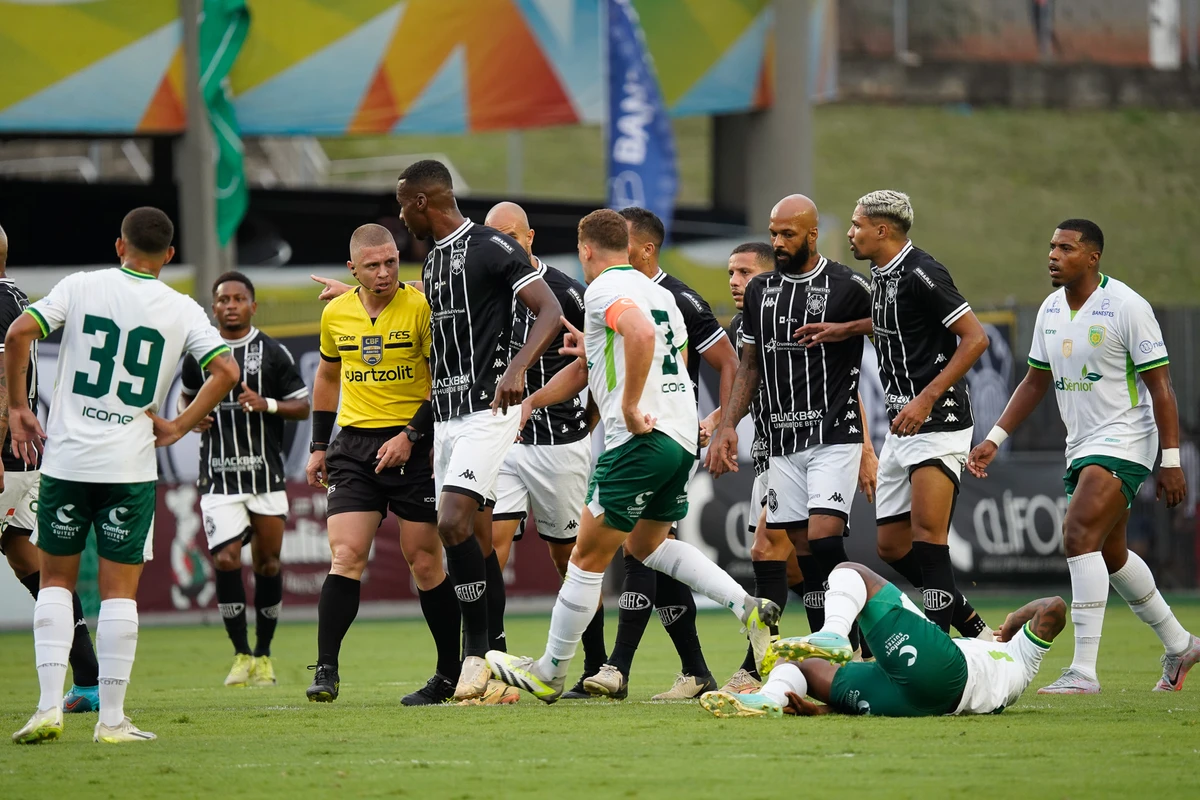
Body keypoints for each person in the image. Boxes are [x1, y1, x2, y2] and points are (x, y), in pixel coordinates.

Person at [486, 209, 779, 703]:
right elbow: (672, 360)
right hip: (679, 437)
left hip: (639, 439)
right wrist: (593, 359)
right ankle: (746, 605)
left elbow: (640, 336)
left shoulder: (602, 290)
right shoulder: (660, 293)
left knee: (584, 557)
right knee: (645, 547)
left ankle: (549, 671)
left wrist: (626, 404)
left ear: (586, 250)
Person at [10, 207, 239, 744]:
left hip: (66, 462)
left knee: (55, 584)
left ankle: (47, 708)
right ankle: (111, 721)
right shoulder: (182, 309)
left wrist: (20, 407)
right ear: (170, 256)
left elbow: (21, 332)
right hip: (129, 468)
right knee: (118, 595)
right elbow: (226, 370)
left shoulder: (81, 286)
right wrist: (179, 425)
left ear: (120, 246)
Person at [967, 219, 1199, 694]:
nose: (1053, 255)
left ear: (1092, 257)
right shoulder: (1051, 309)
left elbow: (1162, 387)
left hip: (1127, 439)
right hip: (1083, 444)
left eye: (1066, 248)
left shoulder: (1128, 307)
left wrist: (1171, 461)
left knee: (1077, 535)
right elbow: (1034, 381)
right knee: (1110, 554)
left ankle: (1084, 672)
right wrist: (995, 437)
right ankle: (1181, 645)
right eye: (1051, 247)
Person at [396, 160, 562, 701]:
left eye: (403, 204)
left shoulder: (492, 246)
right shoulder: (434, 260)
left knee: (451, 522)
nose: (401, 215)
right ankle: (491, 658)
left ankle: (475, 657)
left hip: (489, 412)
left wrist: (516, 369)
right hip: (447, 418)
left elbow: (550, 309)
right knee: (473, 537)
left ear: (422, 202)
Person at [707, 196, 877, 687]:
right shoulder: (762, 291)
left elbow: (893, 325)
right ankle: (835, 650)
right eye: (773, 233)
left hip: (832, 433)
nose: (778, 243)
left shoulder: (847, 286)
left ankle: (856, 638)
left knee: (823, 539)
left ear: (812, 233)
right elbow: (750, 368)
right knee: (802, 550)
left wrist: (847, 328)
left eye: (788, 235)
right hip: (780, 442)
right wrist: (727, 427)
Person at [304, 224, 466, 706]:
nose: (383, 272)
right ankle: (326, 670)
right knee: (346, 556)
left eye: (391, 262)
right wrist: (318, 444)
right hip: (353, 448)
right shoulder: (336, 313)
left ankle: (448, 673)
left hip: (412, 446)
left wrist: (412, 435)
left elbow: (445, 381)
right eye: (372, 265)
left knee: (424, 561)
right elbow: (328, 375)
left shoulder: (421, 308)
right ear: (353, 269)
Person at [584, 206, 740, 702]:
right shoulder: (621, 292)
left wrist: (717, 425)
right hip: (639, 432)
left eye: (623, 242)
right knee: (652, 553)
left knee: (635, 551)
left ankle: (616, 667)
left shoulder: (676, 298)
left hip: (658, 435)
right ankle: (695, 670)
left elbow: (728, 362)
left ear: (645, 249)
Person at [844, 189, 991, 637]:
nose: (851, 234)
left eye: (857, 225)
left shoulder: (922, 271)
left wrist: (925, 397)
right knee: (890, 545)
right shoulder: (882, 275)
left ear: (882, 230)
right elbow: (895, 319)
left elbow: (975, 338)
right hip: (901, 426)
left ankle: (940, 648)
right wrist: (843, 329)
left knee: (929, 537)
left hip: (939, 420)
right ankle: (972, 625)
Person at [483, 202, 607, 698]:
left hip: (560, 444)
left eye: (511, 236)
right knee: (486, 546)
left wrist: (585, 424)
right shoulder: (484, 287)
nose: (503, 246)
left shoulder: (569, 293)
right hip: (502, 439)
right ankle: (489, 663)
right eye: (495, 237)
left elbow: (596, 365)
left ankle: (596, 665)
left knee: (571, 560)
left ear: (530, 237)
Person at [699, 562, 1065, 718]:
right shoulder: (1019, 668)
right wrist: (823, 711)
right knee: (796, 665)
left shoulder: (1022, 657)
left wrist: (1014, 620)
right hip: (913, 702)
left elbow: (1054, 607)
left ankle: (835, 634)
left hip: (949, 672)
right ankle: (769, 699)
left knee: (850, 572)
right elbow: (1051, 611)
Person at [179, 272, 310, 688]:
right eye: (223, 299)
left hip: (266, 476)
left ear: (253, 306)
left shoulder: (272, 352)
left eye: (239, 298)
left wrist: (266, 403)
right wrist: (193, 414)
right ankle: (240, 654)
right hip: (218, 477)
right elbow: (185, 394)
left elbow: (303, 405)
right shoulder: (199, 353)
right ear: (213, 307)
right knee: (226, 559)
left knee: (269, 563)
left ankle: (264, 655)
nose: (230, 305)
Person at [0, 223, 102, 714]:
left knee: (40, 569)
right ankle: (88, 679)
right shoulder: (17, 295)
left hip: (5, 457)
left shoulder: (0, 301)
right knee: (33, 567)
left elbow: (3, 385)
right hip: (20, 459)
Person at [715, 241, 803, 695]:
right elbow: (749, 389)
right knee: (794, 569)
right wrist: (719, 422)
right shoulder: (741, 324)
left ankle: (756, 665)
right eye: (731, 272)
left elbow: (841, 385)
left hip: (805, 450)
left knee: (765, 551)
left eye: (744, 272)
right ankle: (859, 642)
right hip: (769, 451)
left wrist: (864, 449)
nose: (734, 280)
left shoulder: (794, 311)